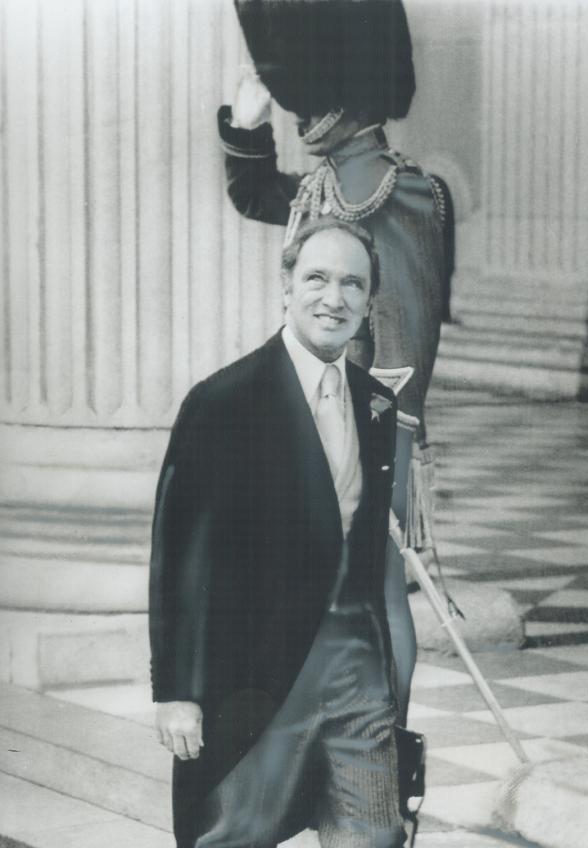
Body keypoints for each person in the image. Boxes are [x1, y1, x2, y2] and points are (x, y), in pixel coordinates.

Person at [95, 217, 405, 848]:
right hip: (259, 673)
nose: (334, 297)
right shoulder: (224, 401)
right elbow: (180, 553)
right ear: (285, 283)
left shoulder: (375, 405)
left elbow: (369, 549)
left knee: (374, 847)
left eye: (351, 284)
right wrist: (177, 689)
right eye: (318, 279)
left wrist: (393, 674)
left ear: (367, 299)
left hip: (354, 664)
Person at [216, 0, 450, 723]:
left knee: (375, 592)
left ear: (343, 97)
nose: (299, 115)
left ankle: (382, 751)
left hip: (368, 429)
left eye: (304, 100)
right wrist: (247, 123)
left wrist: (385, 451)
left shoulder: (397, 189)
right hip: (314, 421)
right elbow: (258, 196)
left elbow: (407, 339)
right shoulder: (332, 182)